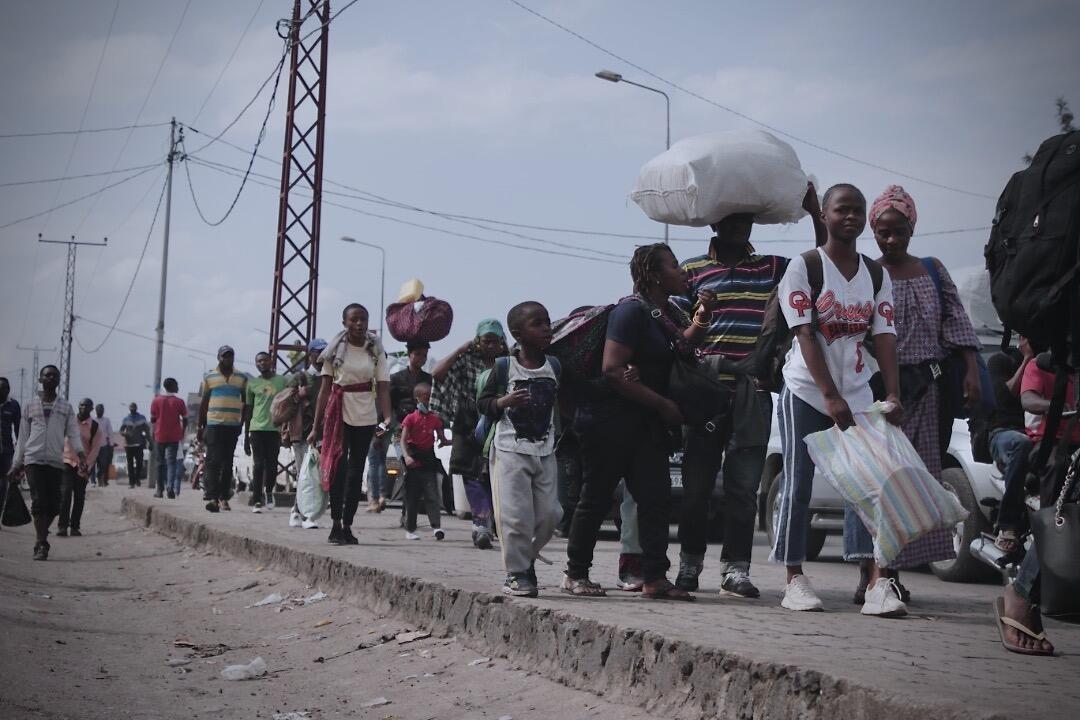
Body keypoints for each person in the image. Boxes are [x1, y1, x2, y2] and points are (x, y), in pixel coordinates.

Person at [669, 186, 822, 598]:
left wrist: (814, 213)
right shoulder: (691, 270)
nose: (740, 225)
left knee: (742, 489)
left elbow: (821, 263)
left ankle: (735, 571)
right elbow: (676, 334)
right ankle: (689, 567)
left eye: (746, 219)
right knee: (697, 490)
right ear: (714, 222)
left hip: (752, 393)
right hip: (704, 395)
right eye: (731, 218)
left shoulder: (774, 266)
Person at [771, 183, 908, 617]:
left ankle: (877, 583)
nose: (849, 217)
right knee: (797, 485)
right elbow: (805, 333)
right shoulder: (804, 267)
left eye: (857, 211)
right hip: (808, 391)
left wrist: (892, 392)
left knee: (871, 483)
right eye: (841, 209)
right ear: (825, 215)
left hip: (857, 389)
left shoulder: (875, 274)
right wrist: (829, 396)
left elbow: (883, 335)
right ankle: (794, 578)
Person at [844, 185, 982, 603]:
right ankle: (868, 571)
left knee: (914, 483)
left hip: (928, 392)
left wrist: (972, 372)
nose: (890, 239)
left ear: (911, 227)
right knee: (872, 481)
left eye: (898, 231)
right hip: (876, 394)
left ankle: (894, 572)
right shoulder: (864, 272)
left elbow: (956, 324)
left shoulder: (933, 270)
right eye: (883, 232)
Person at [561, 243, 710, 601]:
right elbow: (612, 369)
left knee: (655, 499)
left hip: (647, 425)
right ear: (654, 275)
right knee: (595, 498)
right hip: (610, 422)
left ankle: (655, 577)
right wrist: (663, 405)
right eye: (674, 266)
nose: (682, 272)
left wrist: (704, 314)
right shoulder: (630, 313)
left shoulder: (668, 311)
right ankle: (576, 574)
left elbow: (683, 346)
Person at [993, 350, 1078, 656]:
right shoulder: (1041, 365)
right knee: (1063, 521)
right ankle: (1022, 591)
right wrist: (1060, 406)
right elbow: (1028, 400)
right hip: (1052, 443)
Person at [476, 301, 562, 597]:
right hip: (510, 450)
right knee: (514, 515)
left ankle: (526, 559)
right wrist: (503, 402)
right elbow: (483, 403)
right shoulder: (503, 367)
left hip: (544, 449)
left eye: (547, 322)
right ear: (517, 333)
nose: (546, 329)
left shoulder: (555, 366)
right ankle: (517, 573)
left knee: (551, 513)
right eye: (537, 324)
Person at [308, 304, 392, 546]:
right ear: (344, 322)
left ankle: (347, 524)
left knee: (356, 473)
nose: (359, 324)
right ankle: (335, 523)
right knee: (339, 469)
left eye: (363, 319)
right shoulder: (334, 350)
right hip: (338, 414)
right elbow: (324, 390)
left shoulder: (375, 349)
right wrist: (315, 427)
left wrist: (387, 419)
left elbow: (383, 387)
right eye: (354, 320)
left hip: (365, 415)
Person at [431, 320, 509, 549]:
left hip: (497, 420)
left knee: (494, 474)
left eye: (495, 341)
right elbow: (437, 373)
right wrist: (459, 350)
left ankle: (492, 523)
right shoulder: (465, 359)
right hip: (468, 421)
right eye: (486, 341)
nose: (491, 346)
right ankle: (481, 524)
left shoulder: (506, 362)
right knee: (471, 474)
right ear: (478, 341)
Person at [7, 365, 84, 560]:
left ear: (59, 380)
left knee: (55, 506)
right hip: (33, 459)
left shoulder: (65, 407)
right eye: (47, 375)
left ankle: (41, 536)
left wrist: (81, 455)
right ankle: (41, 543)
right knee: (39, 501)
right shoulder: (29, 405)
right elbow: (23, 437)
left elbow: (74, 433)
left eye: (54, 376)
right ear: (40, 379)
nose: (51, 378)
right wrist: (17, 463)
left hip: (55, 461)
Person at [986, 337, 1036, 552]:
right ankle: (1008, 525)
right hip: (1005, 432)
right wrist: (1027, 359)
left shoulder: (1053, 365)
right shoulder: (1001, 360)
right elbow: (1004, 395)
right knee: (1022, 444)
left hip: (1040, 432)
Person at [197, 345, 248, 513]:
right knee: (213, 462)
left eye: (230, 356)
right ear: (218, 357)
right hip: (213, 424)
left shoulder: (241, 377)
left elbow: (246, 402)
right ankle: (212, 498)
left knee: (227, 464)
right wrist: (200, 425)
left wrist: (242, 424)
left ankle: (224, 497)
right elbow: (204, 403)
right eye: (224, 356)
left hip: (232, 426)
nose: (228, 359)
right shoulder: (209, 376)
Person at [384, 341, 433, 513]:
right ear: (409, 355)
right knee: (407, 467)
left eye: (424, 355)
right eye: (418, 354)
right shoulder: (397, 378)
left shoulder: (428, 379)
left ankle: (412, 509)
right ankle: (407, 511)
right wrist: (382, 427)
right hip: (402, 430)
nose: (422, 358)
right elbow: (387, 404)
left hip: (423, 432)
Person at [399, 382, 448, 541]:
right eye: (426, 399)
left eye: (430, 399)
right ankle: (410, 529)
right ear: (417, 399)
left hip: (428, 462)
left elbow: (442, 438)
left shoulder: (434, 419)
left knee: (432, 495)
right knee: (412, 498)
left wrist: (452, 441)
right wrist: (407, 457)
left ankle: (436, 527)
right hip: (413, 463)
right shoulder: (410, 418)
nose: (428, 402)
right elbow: (403, 440)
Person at [287, 338, 326, 529]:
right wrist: (298, 396)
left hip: (323, 432)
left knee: (316, 475)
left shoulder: (330, 376)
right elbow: (283, 403)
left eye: (324, 352)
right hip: (302, 432)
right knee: (305, 473)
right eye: (318, 351)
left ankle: (303, 511)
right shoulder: (300, 378)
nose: (321, 355)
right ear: (310, 354)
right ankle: (302, 513)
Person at [244, 352, 290, 513]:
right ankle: (257, 499)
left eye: (264, 360)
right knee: (258, 465)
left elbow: (290, 399)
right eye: (258, 361)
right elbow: (248, 411)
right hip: (256, 428)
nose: (261, 363)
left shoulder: (282, 381)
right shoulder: (252, 384)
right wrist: (245, 437)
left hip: (274, 429)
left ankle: (269, 492)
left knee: (271, 465)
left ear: (271, 361)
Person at [58, 398, 104, 537]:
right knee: (65, 494)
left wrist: (86, 466)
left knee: (79, 496)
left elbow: (95, 450)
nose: (83, 408)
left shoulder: (95, 427)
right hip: (66, 461)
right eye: (81, 405)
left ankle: (75, 527)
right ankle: (62, 526)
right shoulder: (68, 422)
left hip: (83, 466)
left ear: (91, 408)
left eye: (86, 406)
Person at [150, 378, 188, 499]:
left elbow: (153, 419)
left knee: (160, 463)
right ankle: (170, 487)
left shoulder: (156, 400)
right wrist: (182, 432)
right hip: (174, 436)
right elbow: (185, 419)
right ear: (172, 386)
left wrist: (153, 433)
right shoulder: (179, 402)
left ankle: (159, 490)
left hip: (160, 435)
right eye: (176, 385)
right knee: (171, 462)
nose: (178, 386)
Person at [0, 377, 20, 512]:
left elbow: (19, 429)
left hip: (5, 451)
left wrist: (21, 451)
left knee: (2, 485)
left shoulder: (13, 405)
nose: (3, 391)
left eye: (6, 388)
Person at [119, 402, 150, 488]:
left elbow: (147, 431)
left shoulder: (142, 418)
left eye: (133, 407)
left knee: (140, 463)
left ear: (136, 408)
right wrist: (125, 433)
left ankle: (137, 478)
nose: (132, 408)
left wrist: (150, 441)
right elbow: (121, 430)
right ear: (129, 409)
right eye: (131, 407)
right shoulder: (126, 419)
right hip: (128, 445)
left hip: (139, 444)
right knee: (130, 464)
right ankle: (131, 482)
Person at [91, 404, 114, 487]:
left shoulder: (106, 420)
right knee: (92, 464)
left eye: (102, 410)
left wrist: (111, 444)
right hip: (93, 446)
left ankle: (99, 478)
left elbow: (110, 433)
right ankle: (93, 481)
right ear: (96, 410)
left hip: (103, 446)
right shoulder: (92, 420)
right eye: (99, 409)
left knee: (102, 464)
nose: (100, 411)